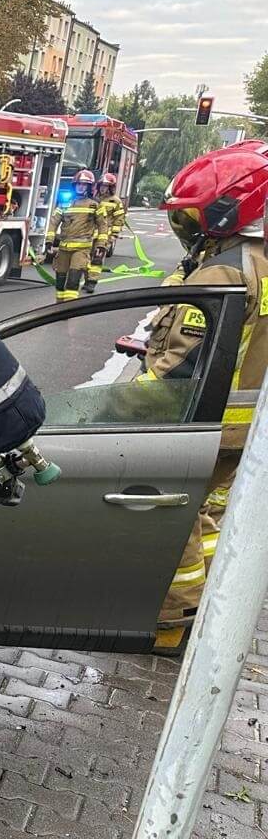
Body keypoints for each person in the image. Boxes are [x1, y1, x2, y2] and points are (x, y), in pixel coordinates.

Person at [143, 141, 268, 653]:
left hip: (203, 423)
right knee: (208, 514)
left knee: (172, 521)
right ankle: (212, 603)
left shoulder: (224, 273)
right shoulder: (257, 261)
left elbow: (179, 369)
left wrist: (120, 408)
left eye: (191, 216)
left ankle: (171, 621)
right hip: (245, 424)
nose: (185, 226)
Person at [48, 169, 105, 300]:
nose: (81, 187)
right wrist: (49, 241)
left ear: (89, 187)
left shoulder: (94, 205)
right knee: (60, 282)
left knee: (73, 280)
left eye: (84, 184)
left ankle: (69, 307)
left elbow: (103, 226)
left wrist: (101, 245)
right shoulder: (64, 202)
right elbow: (53, 223)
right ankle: (59, 306)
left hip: (81, 250)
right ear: (74, 185)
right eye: (79, 184)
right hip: (64, 248)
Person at [88, 172, 126, 294]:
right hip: (89, 235)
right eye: (102, 185)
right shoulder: (93, 198)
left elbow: (119, 220)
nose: (103, 188)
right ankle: (87, 278)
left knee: (97, 259)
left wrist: (113, 236)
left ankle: (91, 282)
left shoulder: (116, 201)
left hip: (104, 236)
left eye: (106, 186)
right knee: (85, 259)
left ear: (111, 187)